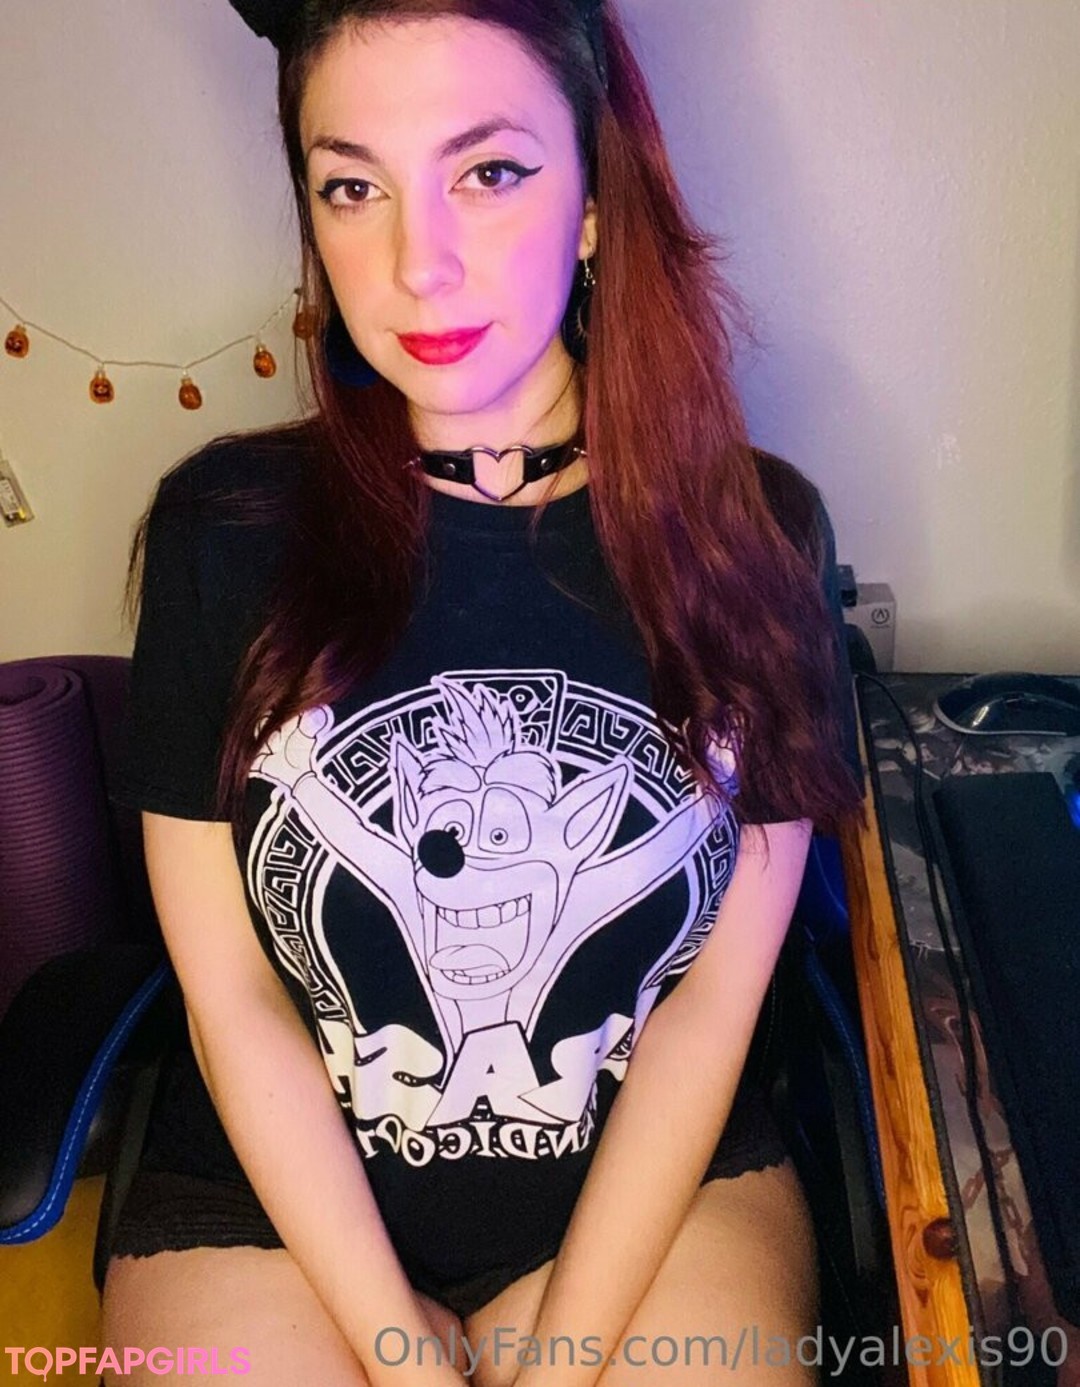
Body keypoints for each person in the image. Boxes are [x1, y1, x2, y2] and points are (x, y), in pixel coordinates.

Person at [101, 1, 866, 1383]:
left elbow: (714, 1002)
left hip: (652, 1199)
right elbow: (231, 999)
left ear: (594, 201)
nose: (417, 266)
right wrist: (402, 1353)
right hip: (271, 1218)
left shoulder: (754, 538)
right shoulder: (225, 533)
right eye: (353, 187)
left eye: (490, 171)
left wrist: (562, 1361)